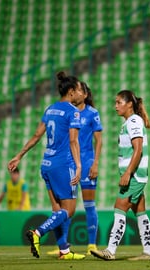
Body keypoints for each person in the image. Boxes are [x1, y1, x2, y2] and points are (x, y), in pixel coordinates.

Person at [7, 72, 85, 260]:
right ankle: (38, 233)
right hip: (63, 164)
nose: (82, 94)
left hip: (46, 164)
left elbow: (36, 135)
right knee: (70, 210)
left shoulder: (50, 109)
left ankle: (64, 250)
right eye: (80, 90)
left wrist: (19, 156)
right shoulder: (72, 111)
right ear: (72, 91)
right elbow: (74, 141)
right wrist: (79, 166)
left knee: (58, 210)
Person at [91, 90, 150, 261]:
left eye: (119, 102)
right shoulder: (131, 122)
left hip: (134, 175)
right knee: (140, 212)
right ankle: (148, 252)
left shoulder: (133, 121)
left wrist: (128, 172)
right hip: (138, 174)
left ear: (129, 104)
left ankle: (110, 251)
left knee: (119, 208)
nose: (115, 106)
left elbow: (138, 148)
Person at [47, 81, 103, 256]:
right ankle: (63, 245)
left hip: (86, 163)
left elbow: (99, 140)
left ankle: (92, 244)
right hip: (67, 163)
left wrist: (95, 163)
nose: (77, 93)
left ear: (85, 95)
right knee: (65, 206)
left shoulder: (92, 113)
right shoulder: (66, 112)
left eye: (80, 91)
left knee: (89, 205)